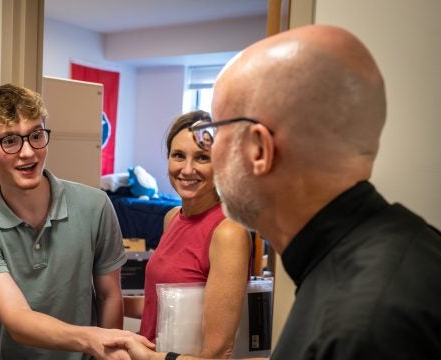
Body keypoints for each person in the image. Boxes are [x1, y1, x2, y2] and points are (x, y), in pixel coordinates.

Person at [107, 24, 441, 360]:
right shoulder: (379, 256)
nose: (198, 163)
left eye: (213, 136)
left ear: (259, 149)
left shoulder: (364, 322)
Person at [0, 84, 152, 360]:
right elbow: (17, 319)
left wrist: (110, 350)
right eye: (9, 140)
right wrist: (91, 338)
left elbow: (108, 295)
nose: (28, 152)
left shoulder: (95, 205)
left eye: (36, 135)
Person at [127, 110, 251, 358]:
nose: (187, 169)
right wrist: (101, 298)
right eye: (178, 156)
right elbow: (161, 305)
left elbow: (216, 353)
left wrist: (148, 357)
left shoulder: (228, 232)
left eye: (202, 158)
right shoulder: (172, 217)